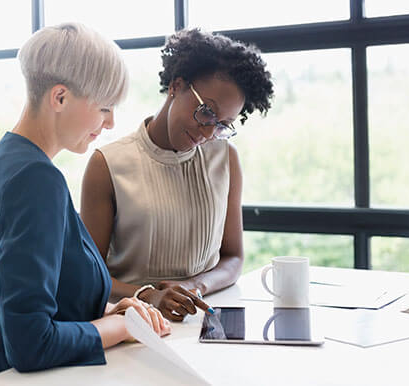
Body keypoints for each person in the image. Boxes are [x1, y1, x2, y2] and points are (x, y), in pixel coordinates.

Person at [0, 23, 171, 380]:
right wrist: (124, 327)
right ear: (60, 97)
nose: (110, 123)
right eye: (105, 107)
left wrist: (106, 312)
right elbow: (31, 342)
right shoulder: (36, 179)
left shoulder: (3, 159)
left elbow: (32, 294)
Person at [80, 29, 274, 322]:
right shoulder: (107, 164)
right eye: (206, 111)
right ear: (176, 86)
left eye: (223, 124)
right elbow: (87, 277)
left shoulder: (225, 158)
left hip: (205, 319)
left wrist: (194, 287)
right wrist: (148, 295)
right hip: (133, 324)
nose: (209, 132)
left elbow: (233, 257)